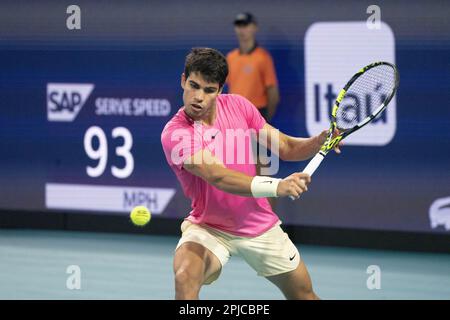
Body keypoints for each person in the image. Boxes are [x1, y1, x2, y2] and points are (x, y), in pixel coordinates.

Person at [161, 48, 340, 300]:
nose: (198, 97)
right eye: (193, 85)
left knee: (304, 296)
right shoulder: (175, 134)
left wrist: (319, 141)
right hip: (210, 227)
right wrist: (277, 186)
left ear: (220, 90)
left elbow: (286, 147)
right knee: (185, 275)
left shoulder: (239, 106)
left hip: (258, 224)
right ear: (183, 80)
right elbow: (217, 176)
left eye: (209, 90)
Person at [226, 12, 279, 122]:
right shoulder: (230, 57)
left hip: (256, 112)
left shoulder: (263, 58)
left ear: (254, 28)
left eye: (245, 25)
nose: (242, 30)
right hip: (235, 115)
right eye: (239, 26)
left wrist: (265, 119)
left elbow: (273, 93)